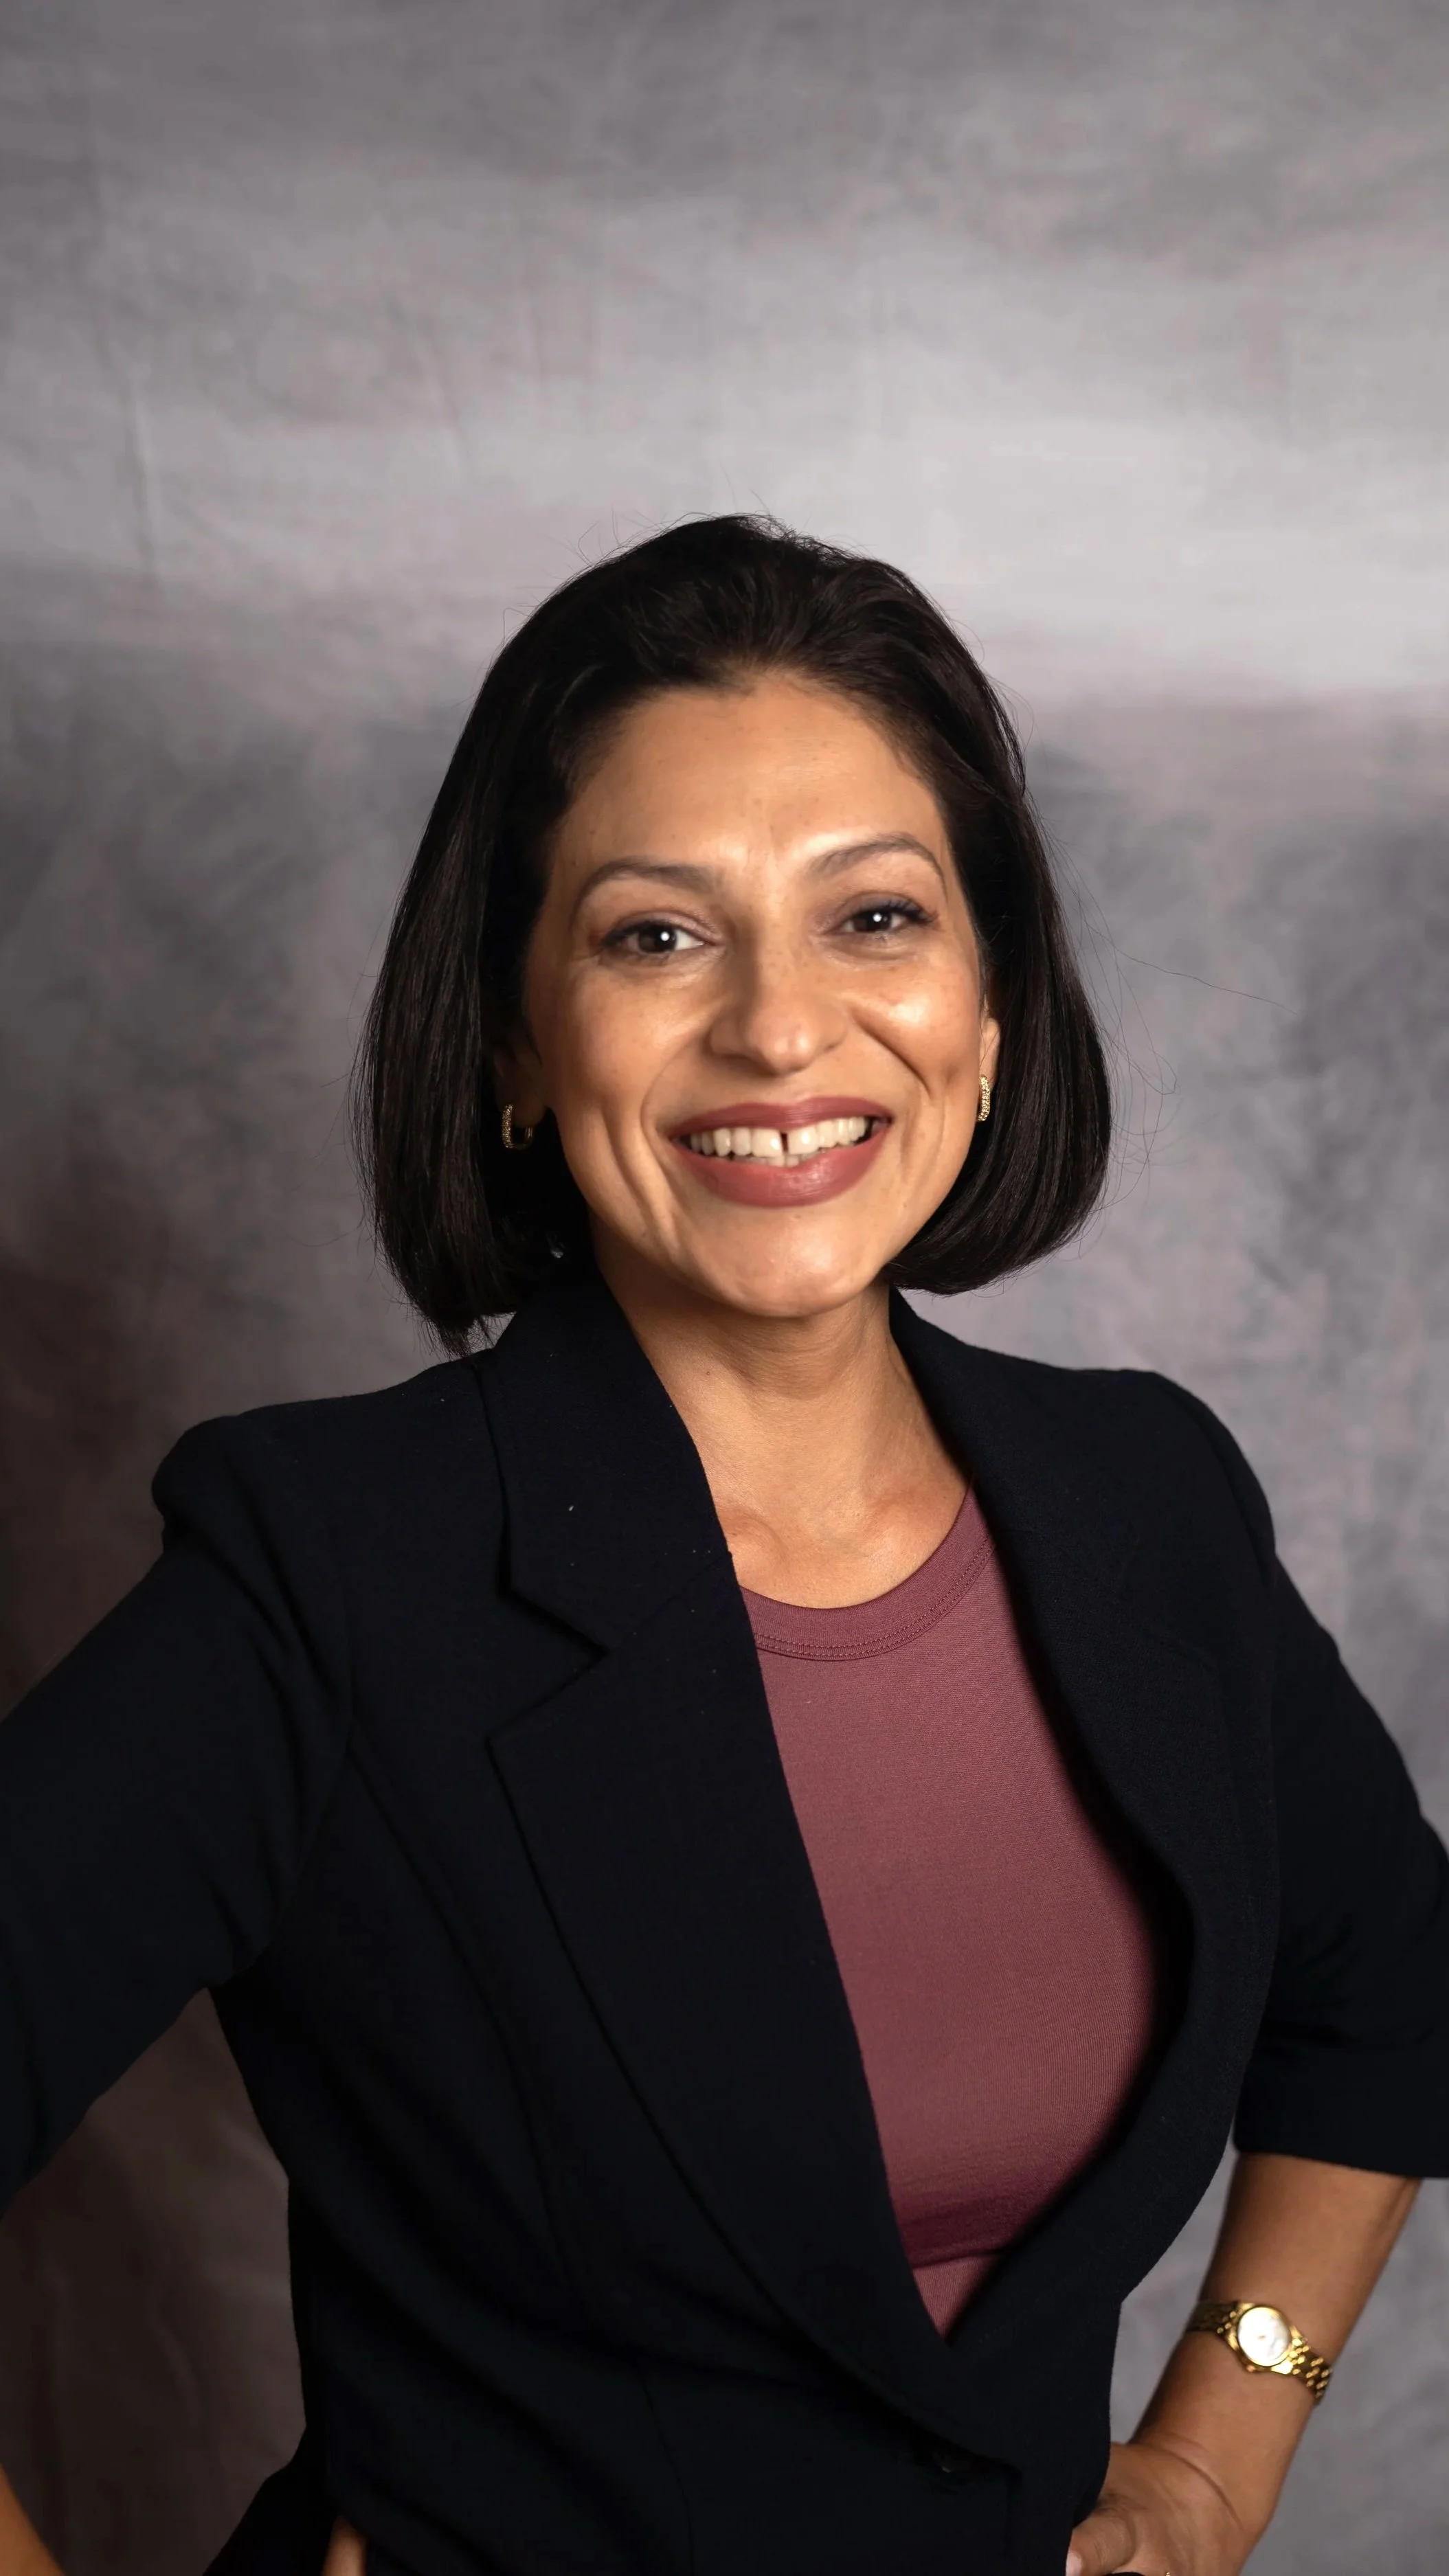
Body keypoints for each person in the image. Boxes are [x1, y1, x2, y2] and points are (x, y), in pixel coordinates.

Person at [0, 517, 1444, 2576]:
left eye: (873, 915)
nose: (782, 1029)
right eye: (655, 936)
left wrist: (1217, 2448)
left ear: (990, 1000)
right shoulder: (330, 1576)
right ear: (511, 1039)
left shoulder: (1150, 1505)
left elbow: (1381, 1997)